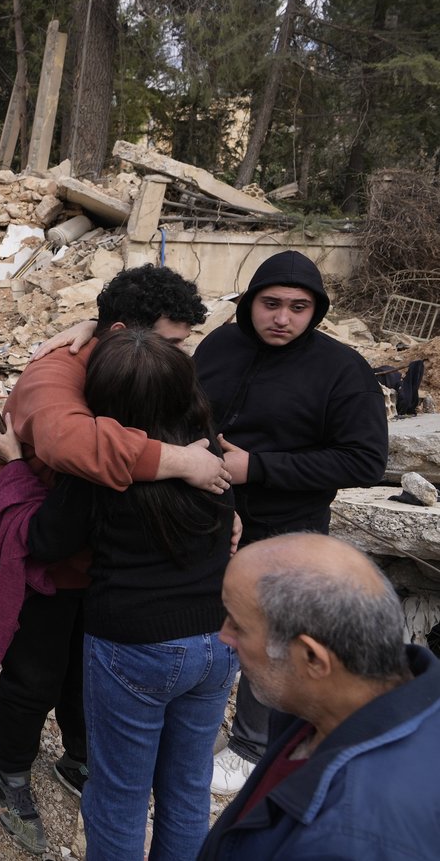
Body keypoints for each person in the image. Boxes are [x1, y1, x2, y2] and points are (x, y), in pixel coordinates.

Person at [0, 264, 226, 855]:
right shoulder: (56, 371)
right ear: (123, 332)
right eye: (169, 344)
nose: (177, 361)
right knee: (36, 671)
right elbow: (68, 444)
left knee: (91, 675)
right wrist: (182, 461)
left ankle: (80, 758)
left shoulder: (126, 363)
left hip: (113, 565)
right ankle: (9, 769)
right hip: (55, 554)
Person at [194, 251, 388, 795]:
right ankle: (196, 723)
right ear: (250, 302)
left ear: (316, 311)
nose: (283, 318)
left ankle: (252, 747)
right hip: (208, 513)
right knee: (208, 621)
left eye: (298, 307)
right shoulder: (220, 346)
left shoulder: (341, 370)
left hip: (286, 528)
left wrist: (258, 467)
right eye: (271, 304)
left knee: (271, 636)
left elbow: (364, 460)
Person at [199, 534, 440, 860]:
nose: (224, 636)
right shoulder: (316, 711)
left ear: (312, 658)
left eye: (238, 626)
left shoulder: (347, 839)